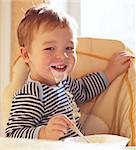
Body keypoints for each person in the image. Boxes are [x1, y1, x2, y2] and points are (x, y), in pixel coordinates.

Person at [5, 3, 134, 140]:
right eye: (50, 48)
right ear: (26, 55)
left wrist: (110, 72)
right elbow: (13, 135)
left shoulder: (64, 82)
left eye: (69, 48)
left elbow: (84, 90)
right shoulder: (32, 93)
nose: (63, 56)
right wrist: (44, 133)